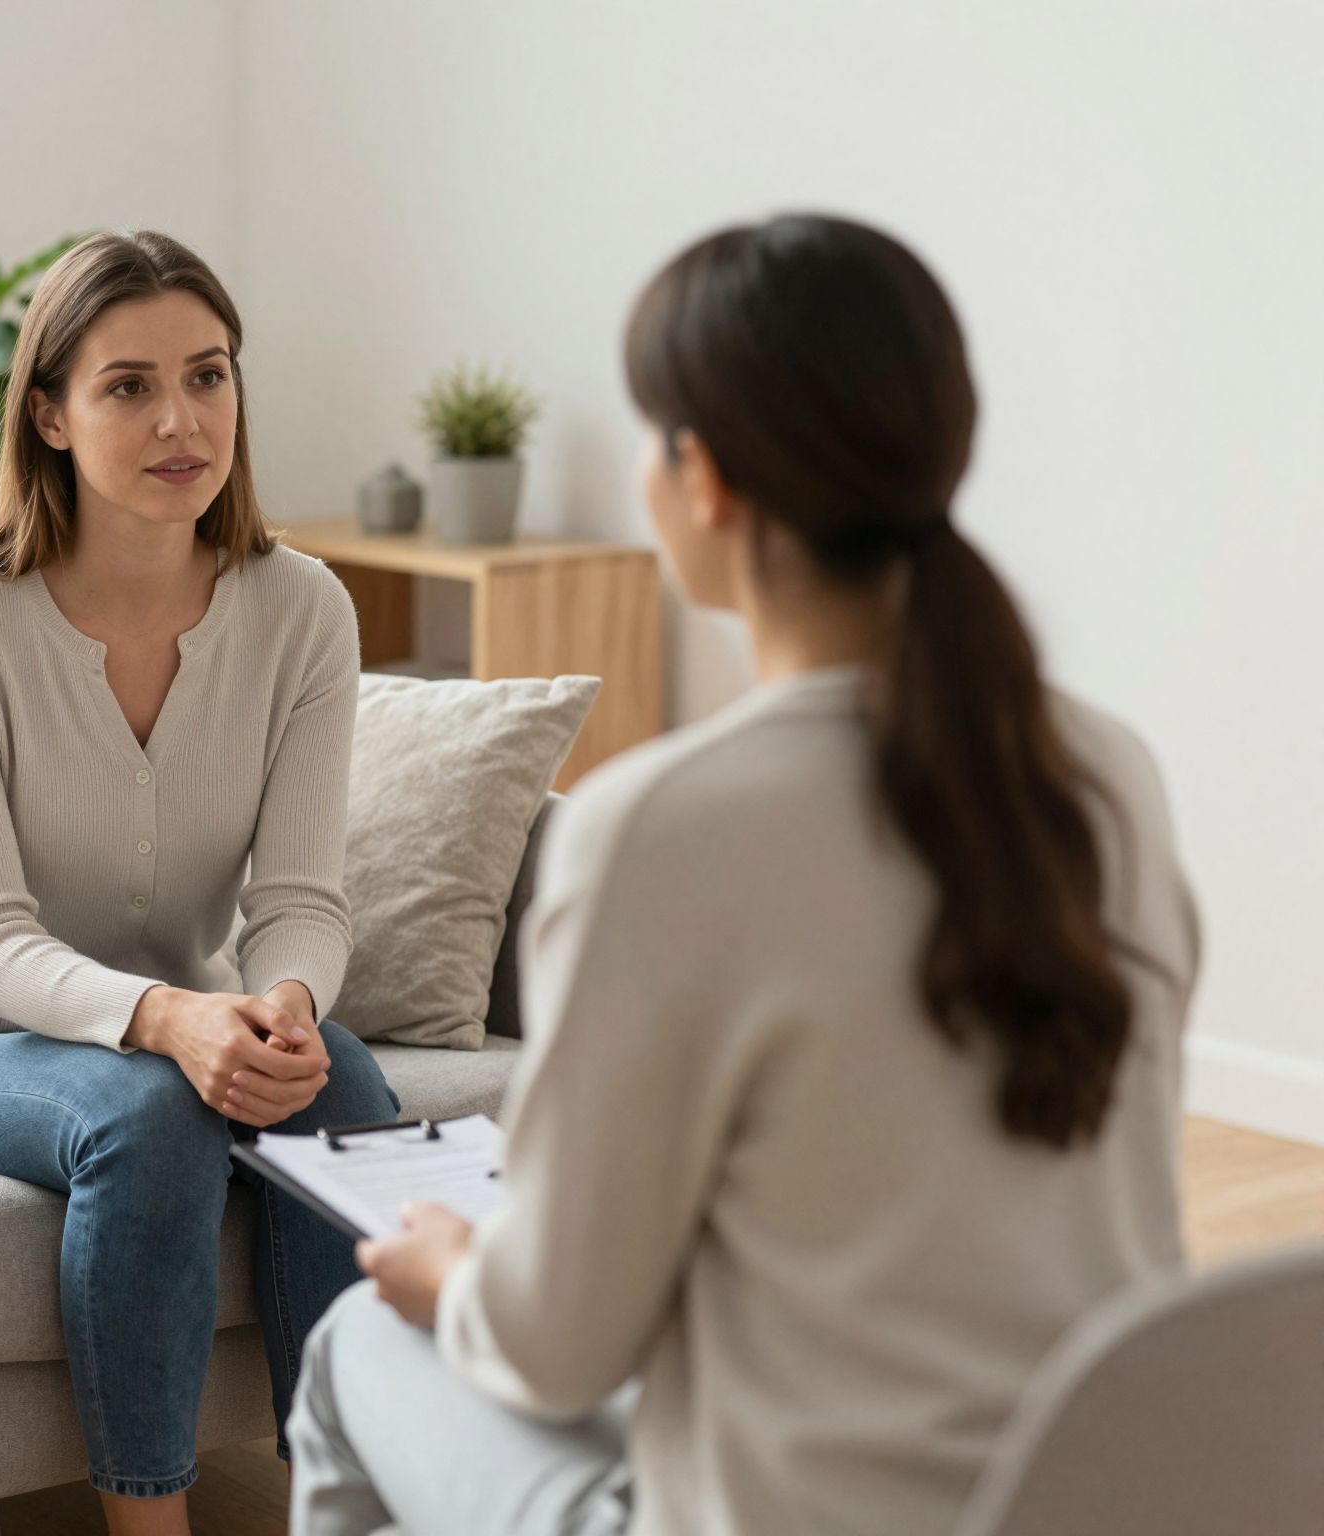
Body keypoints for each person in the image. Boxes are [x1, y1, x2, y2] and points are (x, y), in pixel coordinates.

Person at [287, 214, 1200, 1536]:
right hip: (1081, 1497)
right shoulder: (1106, 776)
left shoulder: (661, 828)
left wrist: (449, 1277)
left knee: (362, 1348)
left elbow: (553, 1345)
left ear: (700, 476)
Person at [0, 230, 401, 1536]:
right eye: (128, 386)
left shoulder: (302, 608)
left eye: (208, 377)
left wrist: (288, 1007)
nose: (180, 419)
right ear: (48, 413)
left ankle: (353, 1505)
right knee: (150, 1109)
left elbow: (301, 896)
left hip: (182, 1021)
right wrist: (170, 1019)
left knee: (348, 1083)